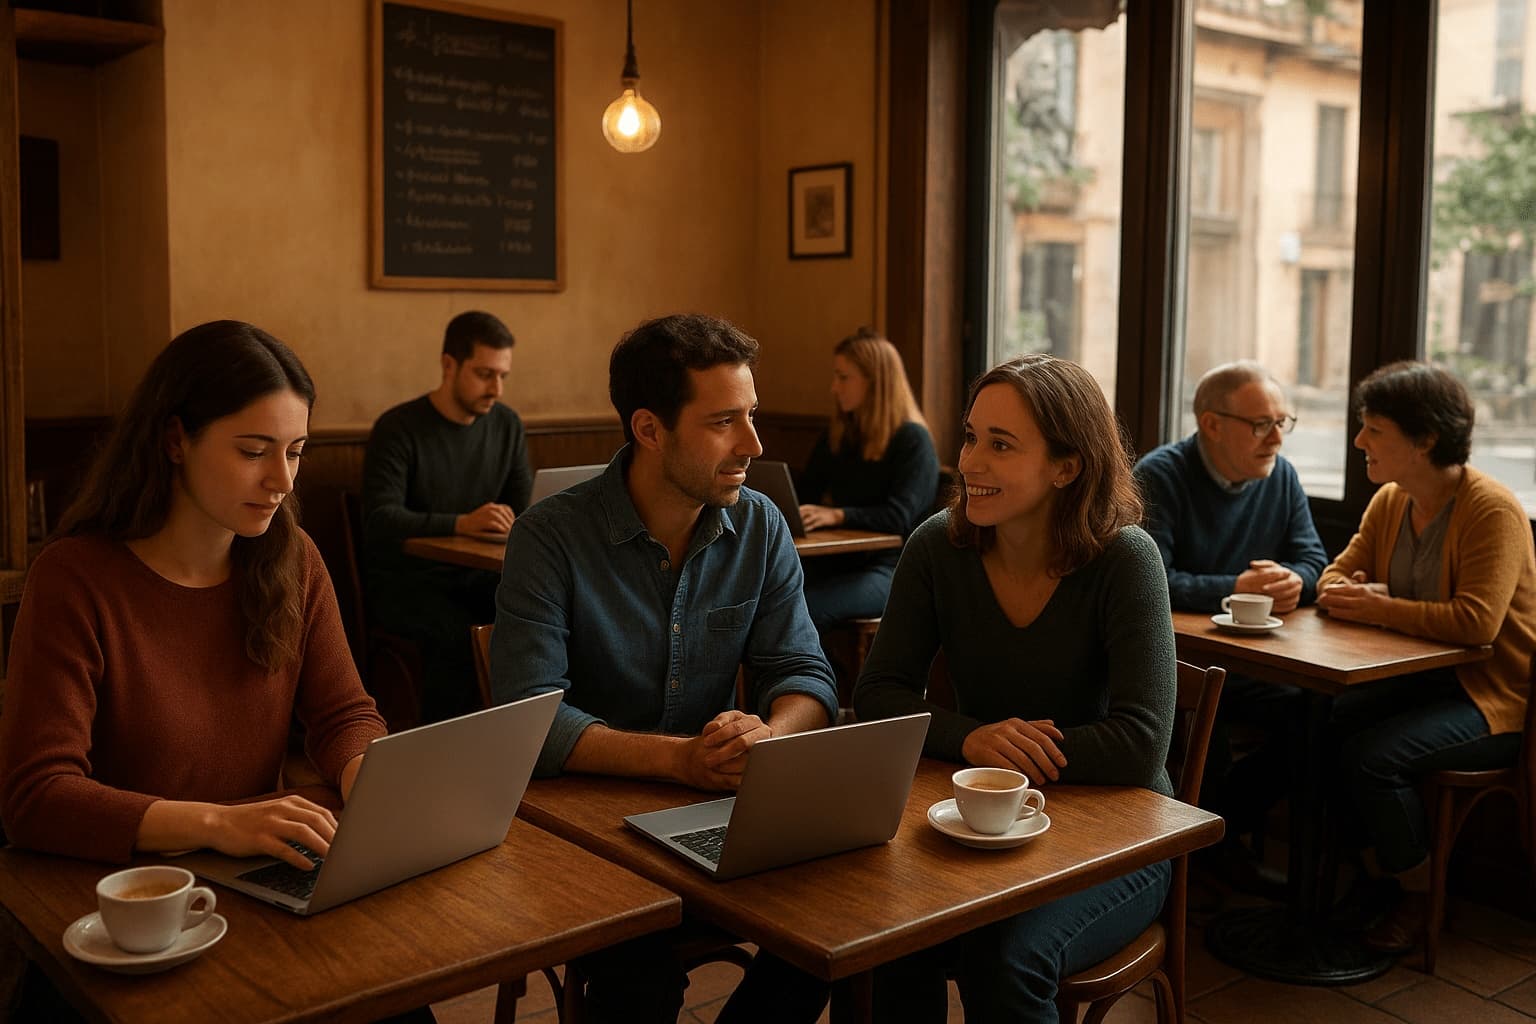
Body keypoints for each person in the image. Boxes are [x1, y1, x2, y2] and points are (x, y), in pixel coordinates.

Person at [0, 321, 390, 1016]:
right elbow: (36, 796)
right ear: (175, 440)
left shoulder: (294, 561)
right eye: (253, 451)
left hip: (253, 892)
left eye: (296, 452)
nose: (281, 480)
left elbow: (343, 714)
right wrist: (216, 823)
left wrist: (372, 782)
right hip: (125, 915)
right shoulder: (76, 578)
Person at [491, 313, 840, 1023]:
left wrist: (767, 737)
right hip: (585, 837)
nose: (753, 444)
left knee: (843, 928)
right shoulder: (549, 538)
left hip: (717, 812)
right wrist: (683, 761)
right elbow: (531, 722)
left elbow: (805, 675)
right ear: (649, 430)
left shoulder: (763, 526)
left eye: (752, 415)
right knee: (639, 977)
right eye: (723, 423)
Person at [855, 353, 1175, 1022]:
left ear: (1066, 466)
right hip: (978, 820)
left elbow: (1141, 747)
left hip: (1120, 836)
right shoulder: (937, 547)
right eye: (972, 436)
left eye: (1001, 445)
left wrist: (1002, 756)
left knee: (1004, 959)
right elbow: (880, 694)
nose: (971, 461)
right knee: (880, 931)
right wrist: (973, 736)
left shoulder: (1125, 558)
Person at [1317, 361, 1535, 953]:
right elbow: (1332, 579)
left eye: (1374, 429)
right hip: (1423, 684)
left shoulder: (1492, 509)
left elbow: (1476, 623)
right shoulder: (1391, 500)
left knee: (1371, 758)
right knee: (1322, 725)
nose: (1359, 441)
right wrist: (1360, 596)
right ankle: (1376, 877)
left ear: (1426, 440)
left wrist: (1379, 606)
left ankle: (1414, 894)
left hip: (1490, 697)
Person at [1135, 361, 1326, 868]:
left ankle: (1217, 837)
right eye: (1262, 424)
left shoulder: (1280, 476)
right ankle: (1201, 856)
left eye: (1283, 423)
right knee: (1206, 719)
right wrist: (1234, 589)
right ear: (1211, 424)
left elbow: (1313, 559)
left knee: (1316, 720)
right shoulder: (1160, 475)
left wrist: (1296, 581)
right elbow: (1150, 578)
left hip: (1257, 659)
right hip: (1178, 660)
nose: (1276, 440)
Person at [361, 310, 533, 722]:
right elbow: (381, 519)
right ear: (448, 365)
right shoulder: (399, 428)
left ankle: (526, 737)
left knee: (534, 613)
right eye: (484, 373)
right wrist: (461, 523)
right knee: (458, 633)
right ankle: (444, 750)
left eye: (503, 375)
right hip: (409, 582)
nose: (496, 388)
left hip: (478, 576)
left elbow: (525, 510)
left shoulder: (506, 425)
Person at [796, 327, 939, 626]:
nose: (834, 387)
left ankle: (826, 674)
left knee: (803, 609)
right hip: (839, 562)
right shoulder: (841, 434)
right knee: (770, 597)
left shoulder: (913, 441)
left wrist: (838, 516)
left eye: (843, 377)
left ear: (876, 382)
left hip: (892, 569)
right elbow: (805, 491)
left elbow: (899, 518)